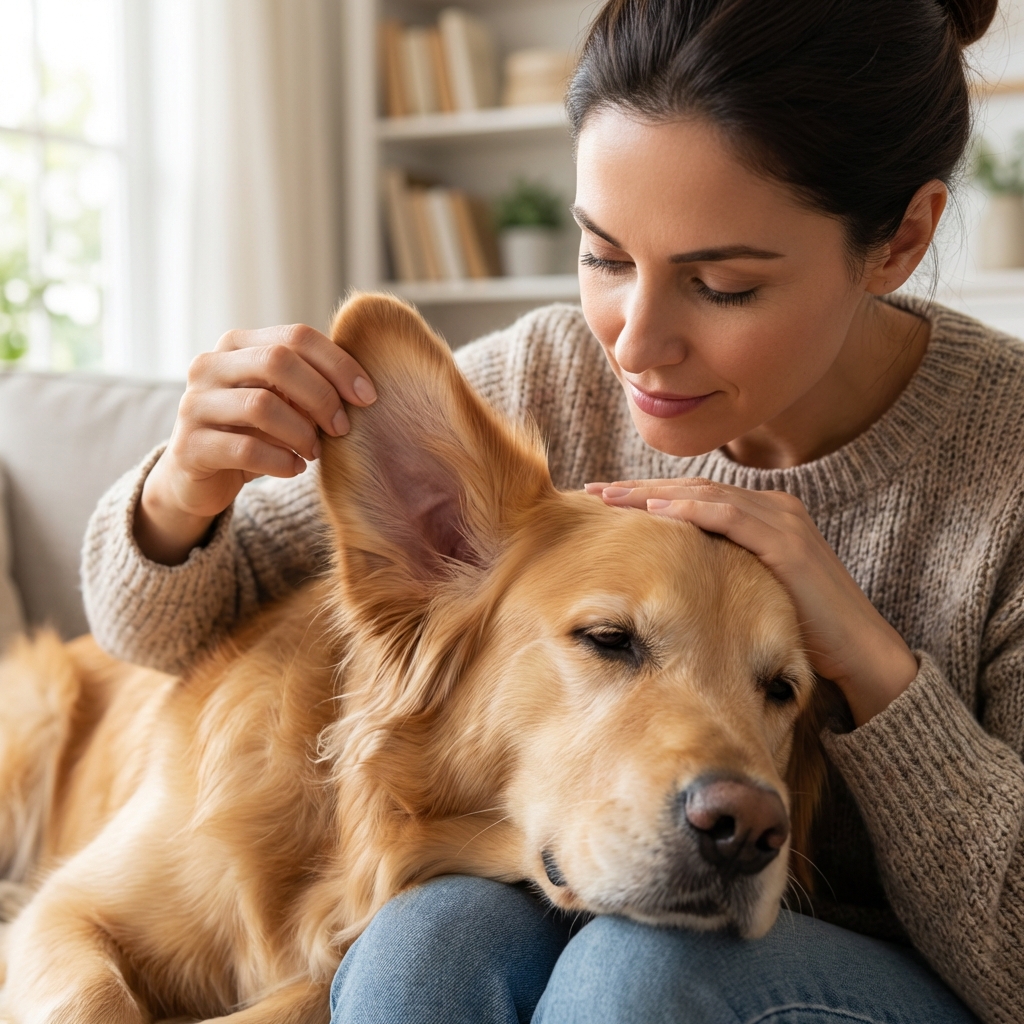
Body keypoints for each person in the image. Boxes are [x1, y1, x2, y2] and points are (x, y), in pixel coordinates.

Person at [81, 0, 1024, 1020]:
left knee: (641, 976)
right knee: (420, 947)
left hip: (907, 972)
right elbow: (161, 628)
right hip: (586, 868)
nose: (633, 343)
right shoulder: (549, 377)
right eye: (606, 257)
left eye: (720, 284)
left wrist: (873, 670)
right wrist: (185, 486)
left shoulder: (1008, 465)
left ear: (898, 241)